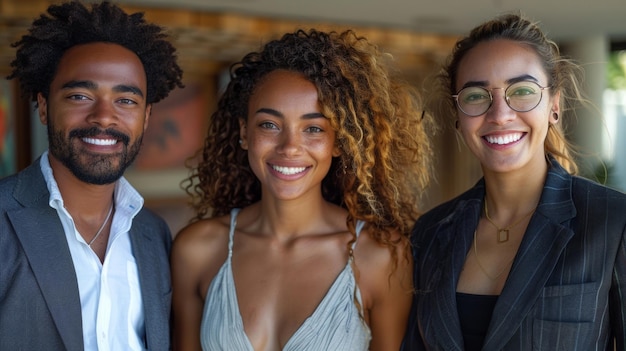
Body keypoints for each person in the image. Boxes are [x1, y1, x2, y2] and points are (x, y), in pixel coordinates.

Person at [171, 28, 433, 350]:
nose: (290, 147)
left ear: (339, 141)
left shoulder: (380, 256)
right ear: (243, 133)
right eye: (270, 124)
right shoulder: (197, 250)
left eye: (313, 129)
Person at [402, 13, 626, 351]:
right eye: (476, 96)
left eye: (521, 91)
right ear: (458, 118)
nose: (500, 114)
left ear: (554, 105)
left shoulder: (613, 221)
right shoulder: (429, 233)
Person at [0, 1, 184, 350]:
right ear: (43, 106)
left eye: (125, 101)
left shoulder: (154, 233)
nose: (103, 118)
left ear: (145, 117)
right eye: (80, 96)